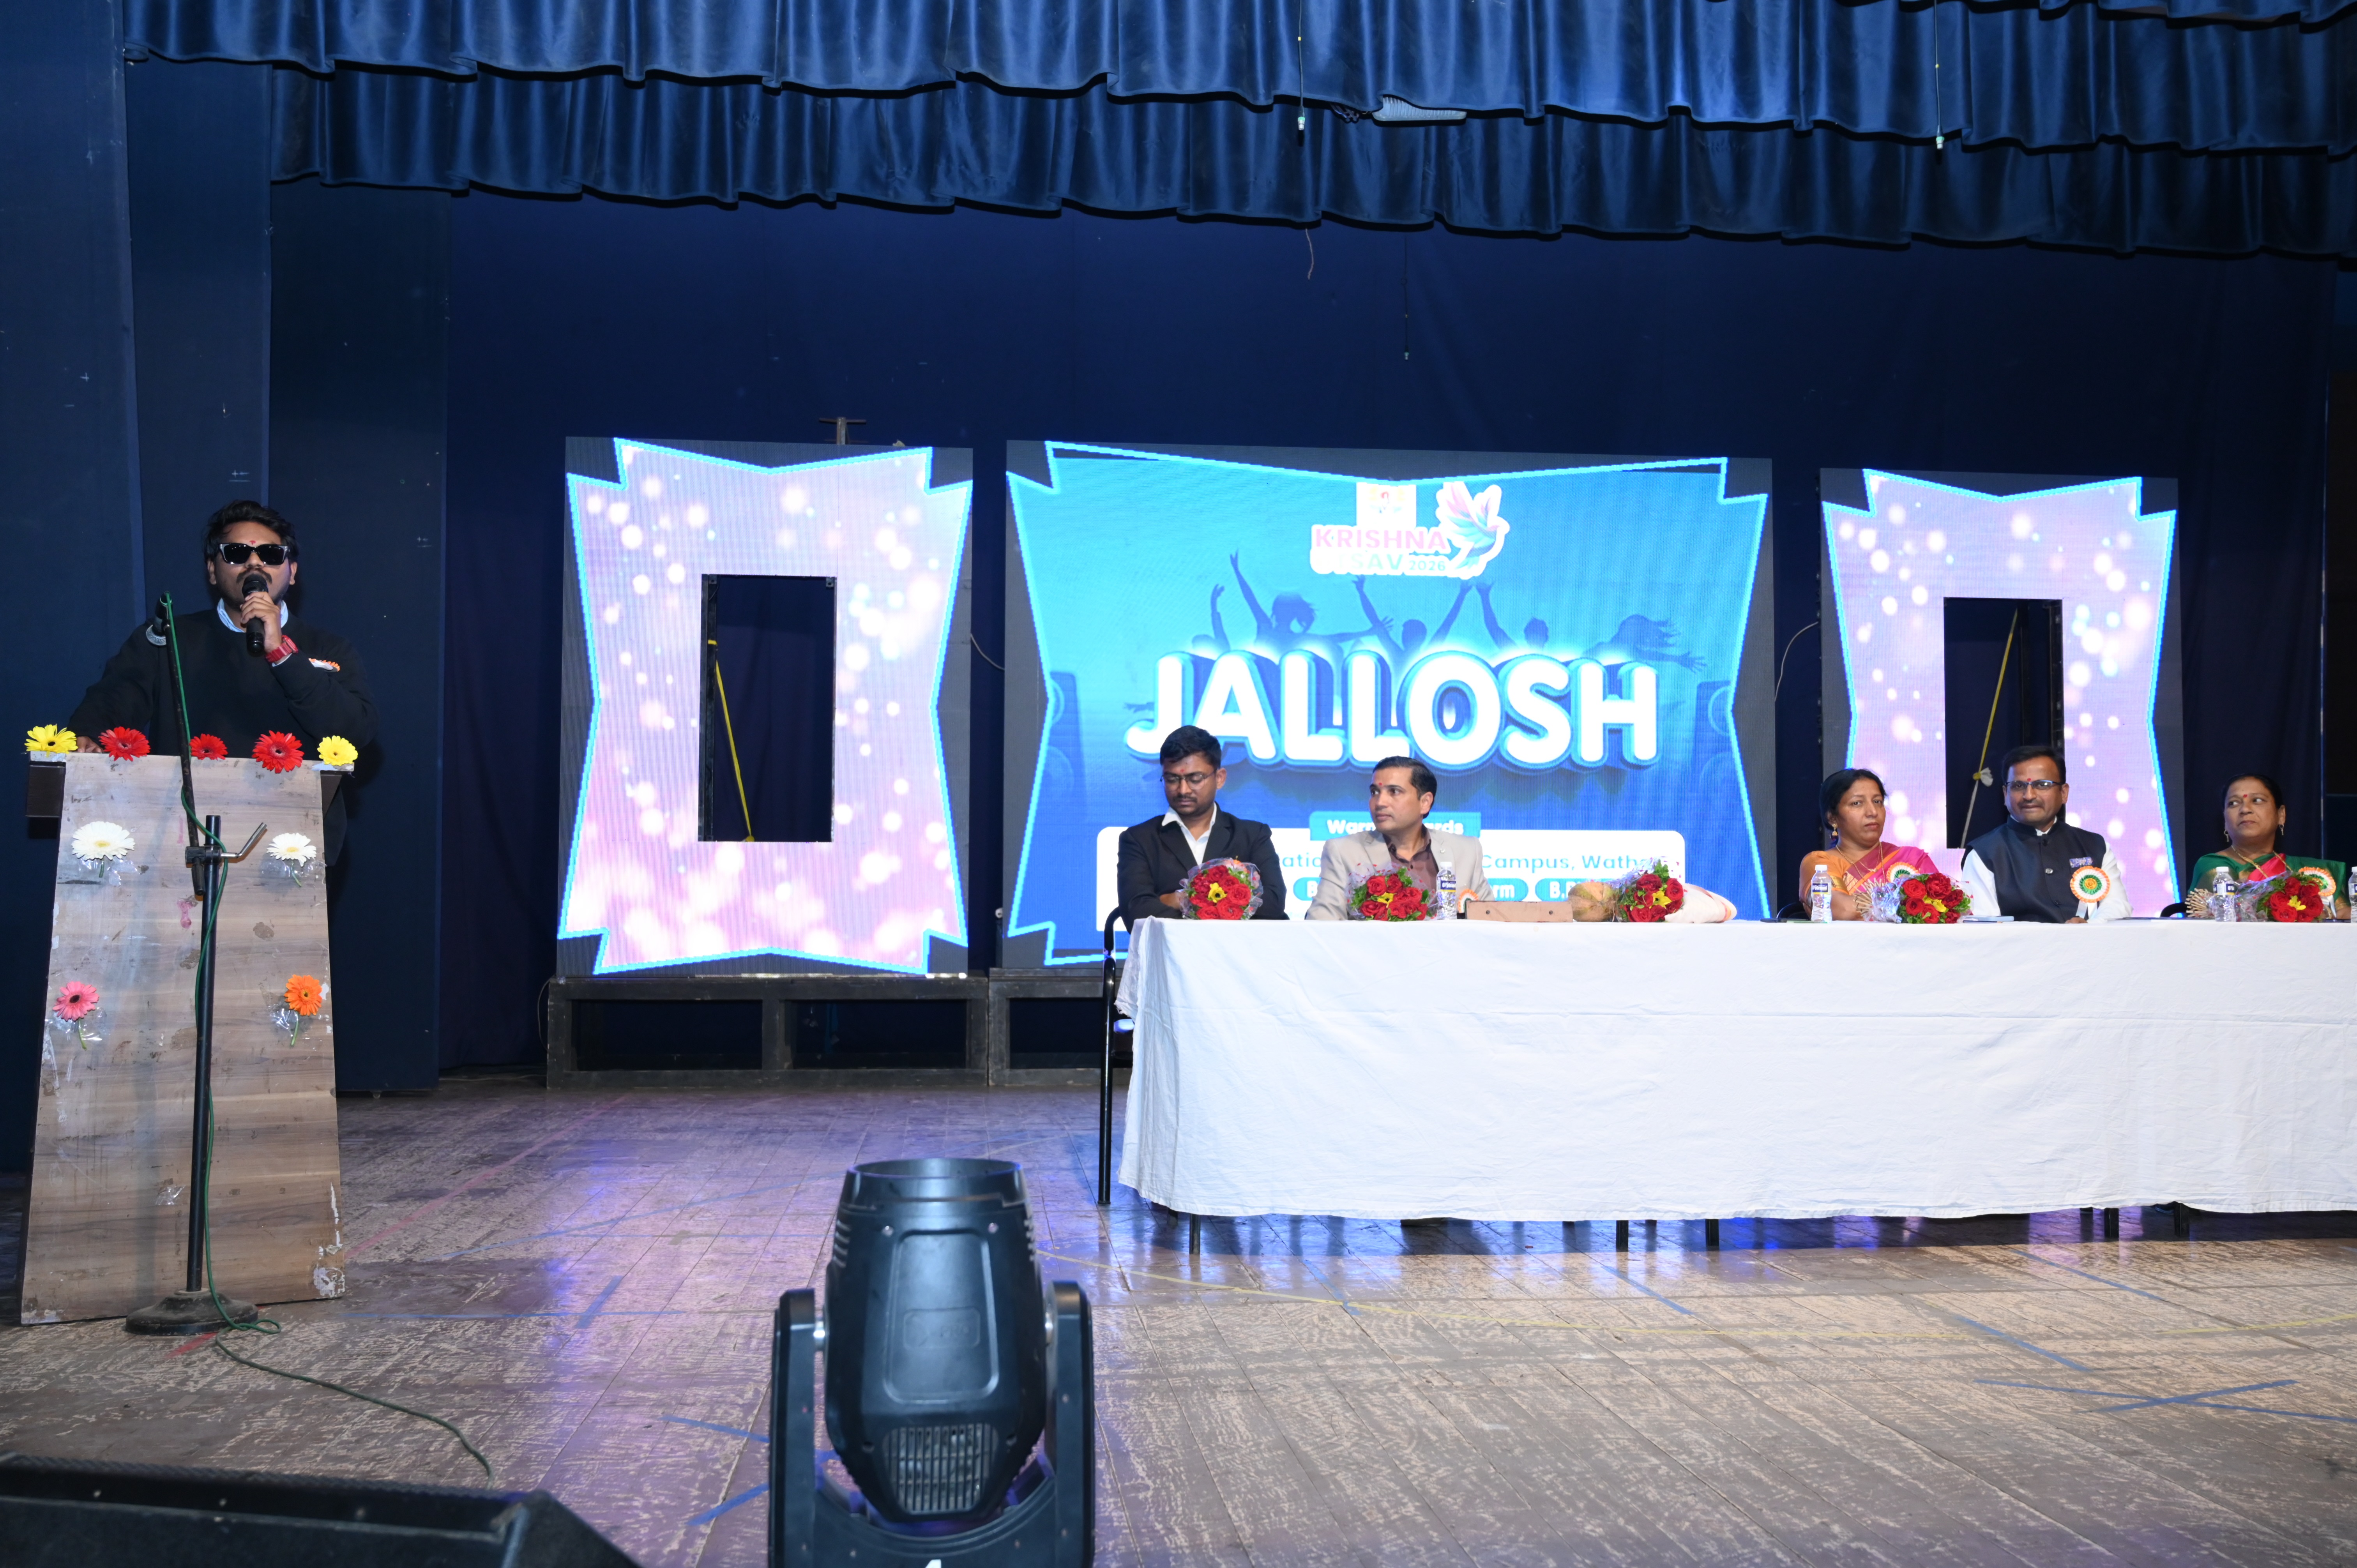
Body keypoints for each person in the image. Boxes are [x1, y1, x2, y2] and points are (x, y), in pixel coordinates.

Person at [67, 501, 378, 859]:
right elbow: (112, 702)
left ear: (292, 572)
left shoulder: (328, 647)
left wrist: (283, 654)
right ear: (213, 571)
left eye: (271, 554)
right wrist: (86, 736)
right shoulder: (170, 639)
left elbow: (355, 731)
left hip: (294, 848)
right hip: (182, 841)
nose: (255, 563)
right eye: (237, 553)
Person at [1114, 725, 1287, 925]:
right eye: (1172, 779)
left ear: (1220, 778)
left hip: (1236, 945)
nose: (1183, 790)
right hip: (1171, 946)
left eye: (1195, 779)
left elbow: (1273, 905)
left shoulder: (1253, 836)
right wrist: (1227, 905)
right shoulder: (1139, 839)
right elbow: (1136, 911)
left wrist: (1181, 899)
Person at [1956, 745, 2128, 922]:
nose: (2029, 795)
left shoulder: (2095, 846)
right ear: (2006, 794)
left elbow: (2117, 906)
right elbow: (1986, 925)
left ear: (2064, 793)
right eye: (2018, 786)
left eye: (2042, 785)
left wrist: (2088, 928)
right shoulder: (1984, 854)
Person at [1306, 756, 1490, 919]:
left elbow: (1493, 923)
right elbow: (1321, 925)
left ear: (1425, 803)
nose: (1380, 802)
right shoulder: (1344, 852)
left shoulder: (1466, 850)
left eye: (1394, 792)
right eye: (1374, 792)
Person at [2186, 773, 2350, 919]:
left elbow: (2344, 915)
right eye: (2233, 803)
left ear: (2281, 815)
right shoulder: (2215, 867)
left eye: (2257, 800)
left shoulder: (2312, 871)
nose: (2245, 809)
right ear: (2225, 820)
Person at [1795, 768, 1940, 920]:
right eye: (1857, 803)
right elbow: (1841, 910)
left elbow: (1946, 909)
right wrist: (1910, 903)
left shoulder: (1914, 859)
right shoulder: (1820, 864)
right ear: (1832, 818)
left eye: (1878, 802)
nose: (1873, 812)